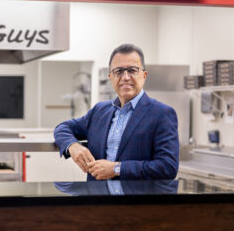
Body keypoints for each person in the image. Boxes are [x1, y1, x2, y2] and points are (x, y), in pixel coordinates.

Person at [54, 44, 179, 181]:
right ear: (110, 77)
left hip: (136, 201)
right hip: (97, 198)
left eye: (132, 70)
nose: (125, 77)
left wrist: (116, 169)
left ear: (144, 75)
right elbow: (62, 128)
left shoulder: (162, 114)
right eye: (118, 71)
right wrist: (73, 146)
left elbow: (167, 167)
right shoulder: (99, 111)